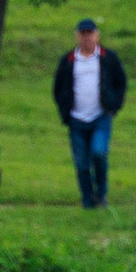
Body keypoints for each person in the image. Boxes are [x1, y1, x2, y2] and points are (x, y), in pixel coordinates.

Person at [51, 18, 127, 210]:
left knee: (99, 153)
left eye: (90, 34)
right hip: (76, 119)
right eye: (83, 34)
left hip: (100, 116)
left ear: (97, 35)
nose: (87, 38)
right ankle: (87, 199)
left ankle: (101, 194)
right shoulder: (69, 60)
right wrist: (65, 108)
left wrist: (113, 105)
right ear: (77, 36)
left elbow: (121, 83)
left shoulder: (108, 58)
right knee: (82, 163)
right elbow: (58, 88)